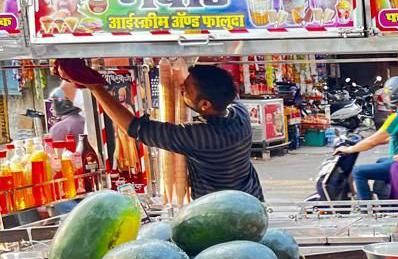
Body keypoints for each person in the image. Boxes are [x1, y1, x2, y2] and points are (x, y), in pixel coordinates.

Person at [60, 62, 263, 200]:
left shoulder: (201, 137)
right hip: (251, 199)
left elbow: (136, 128)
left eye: (187, 89)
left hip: (223, 214)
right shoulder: (239, 114)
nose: (181, 88)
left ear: (204, 105)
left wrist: (96, 88)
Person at [336, 76, 398, 200]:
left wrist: (350, 149)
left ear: (396, 95)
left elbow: (374, 140)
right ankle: (383, 197)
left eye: (388, 94)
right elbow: (393, 136)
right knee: (380, 161)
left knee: (358, 172)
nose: (386, 97)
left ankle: (366, 208)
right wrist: (376, 141)